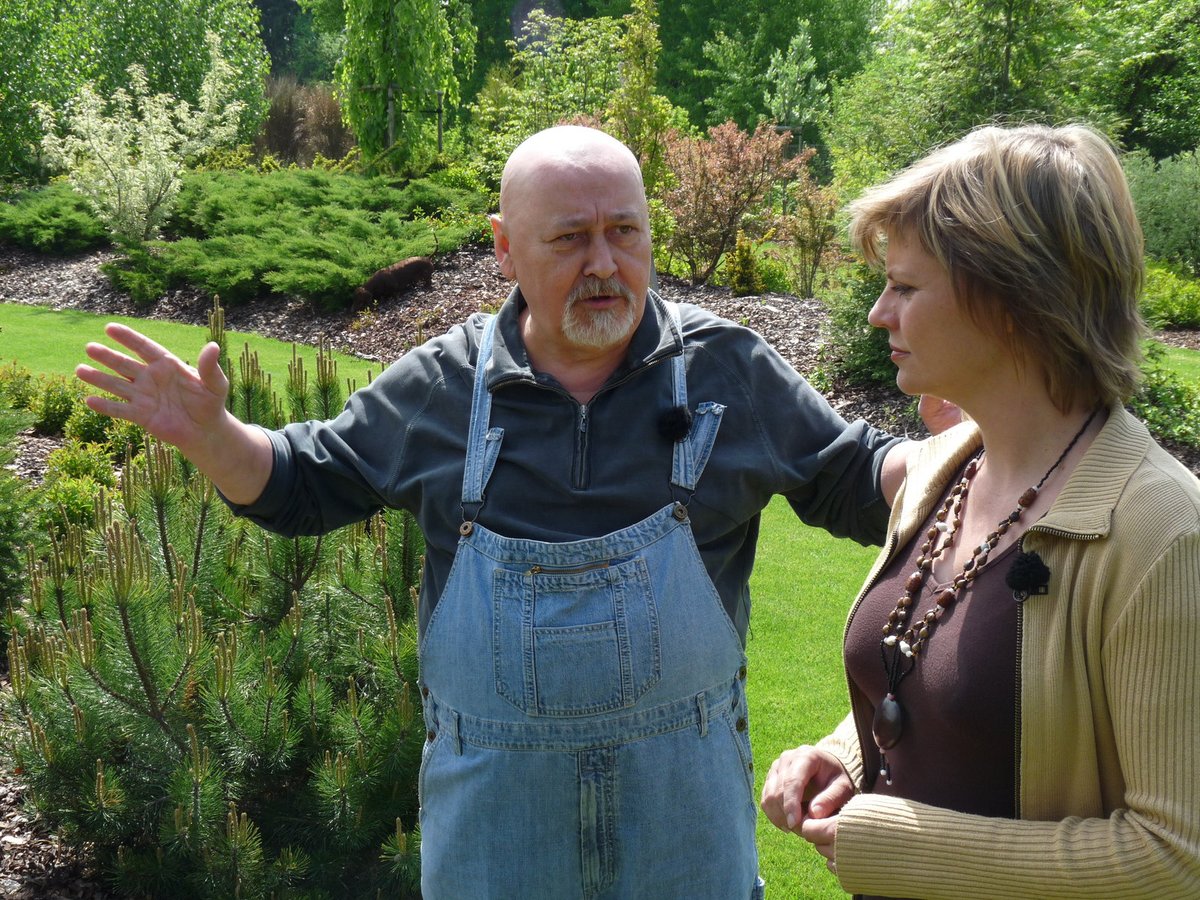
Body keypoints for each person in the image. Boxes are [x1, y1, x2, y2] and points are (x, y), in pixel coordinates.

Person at [77, 125, 915, 899]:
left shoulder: (728, 372)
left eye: (624, 231)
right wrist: (211, 434)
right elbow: (301, 481)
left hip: (683, 836)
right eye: (569, 238)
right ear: (505, 248)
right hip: (494, 845)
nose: (603, 264)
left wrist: (975, 447)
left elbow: (858, 475)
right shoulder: (444, 386)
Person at [759, 123, 1200, 899]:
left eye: (904, 286)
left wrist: (899, 843)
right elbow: (941, 690)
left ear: (1009, 298)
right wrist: (849, 754)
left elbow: (1175, 856)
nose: (877, 314)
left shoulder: (1161, 532)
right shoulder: (942, 471)